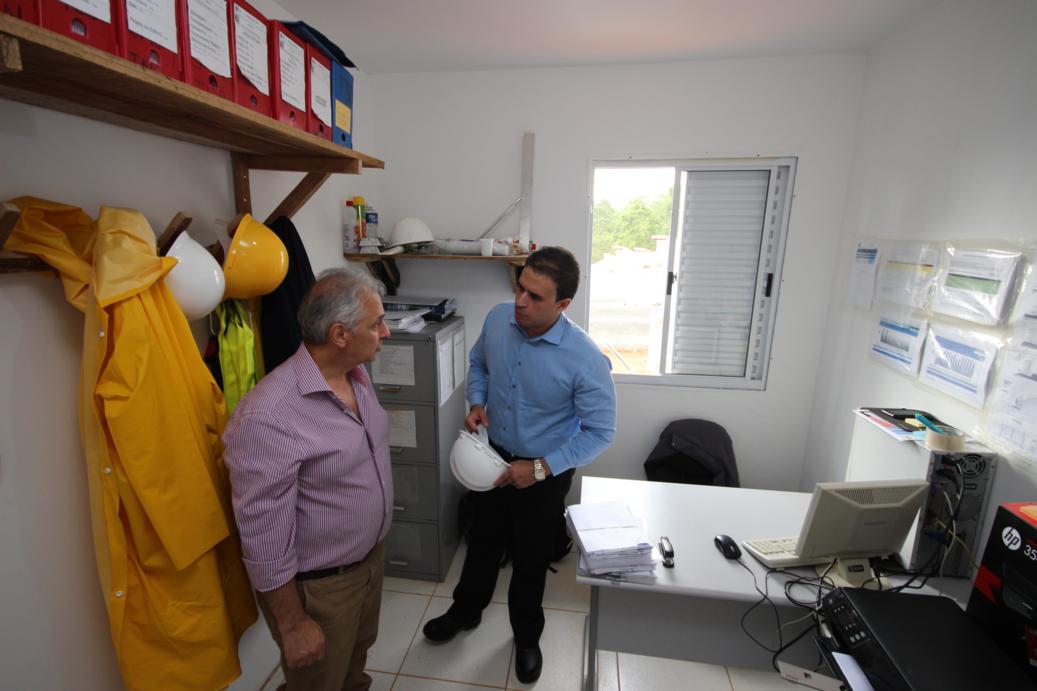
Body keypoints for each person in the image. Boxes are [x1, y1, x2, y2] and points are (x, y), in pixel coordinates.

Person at [423, 246, 617, 683]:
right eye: (520, 288)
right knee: (482, 543)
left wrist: (540, 468)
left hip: (545, 471)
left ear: (563, 304)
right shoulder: (498, 319)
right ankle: (465, 612)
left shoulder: (585, 358)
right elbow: (478, 364)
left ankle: (526, 636)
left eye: (535, 296)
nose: (520, 302)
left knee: (531, 558)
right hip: (492, 456)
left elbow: (600, 432)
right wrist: (477, 401)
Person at [223, 266, 393, 691]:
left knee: (353, 672)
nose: (386, 332)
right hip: (320, 590)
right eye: (376, 324)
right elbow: (263, 536)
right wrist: (293, 623)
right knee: (319, 682)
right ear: (340, 335)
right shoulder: (268, 416)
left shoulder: (356, 375)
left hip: (367, 565)